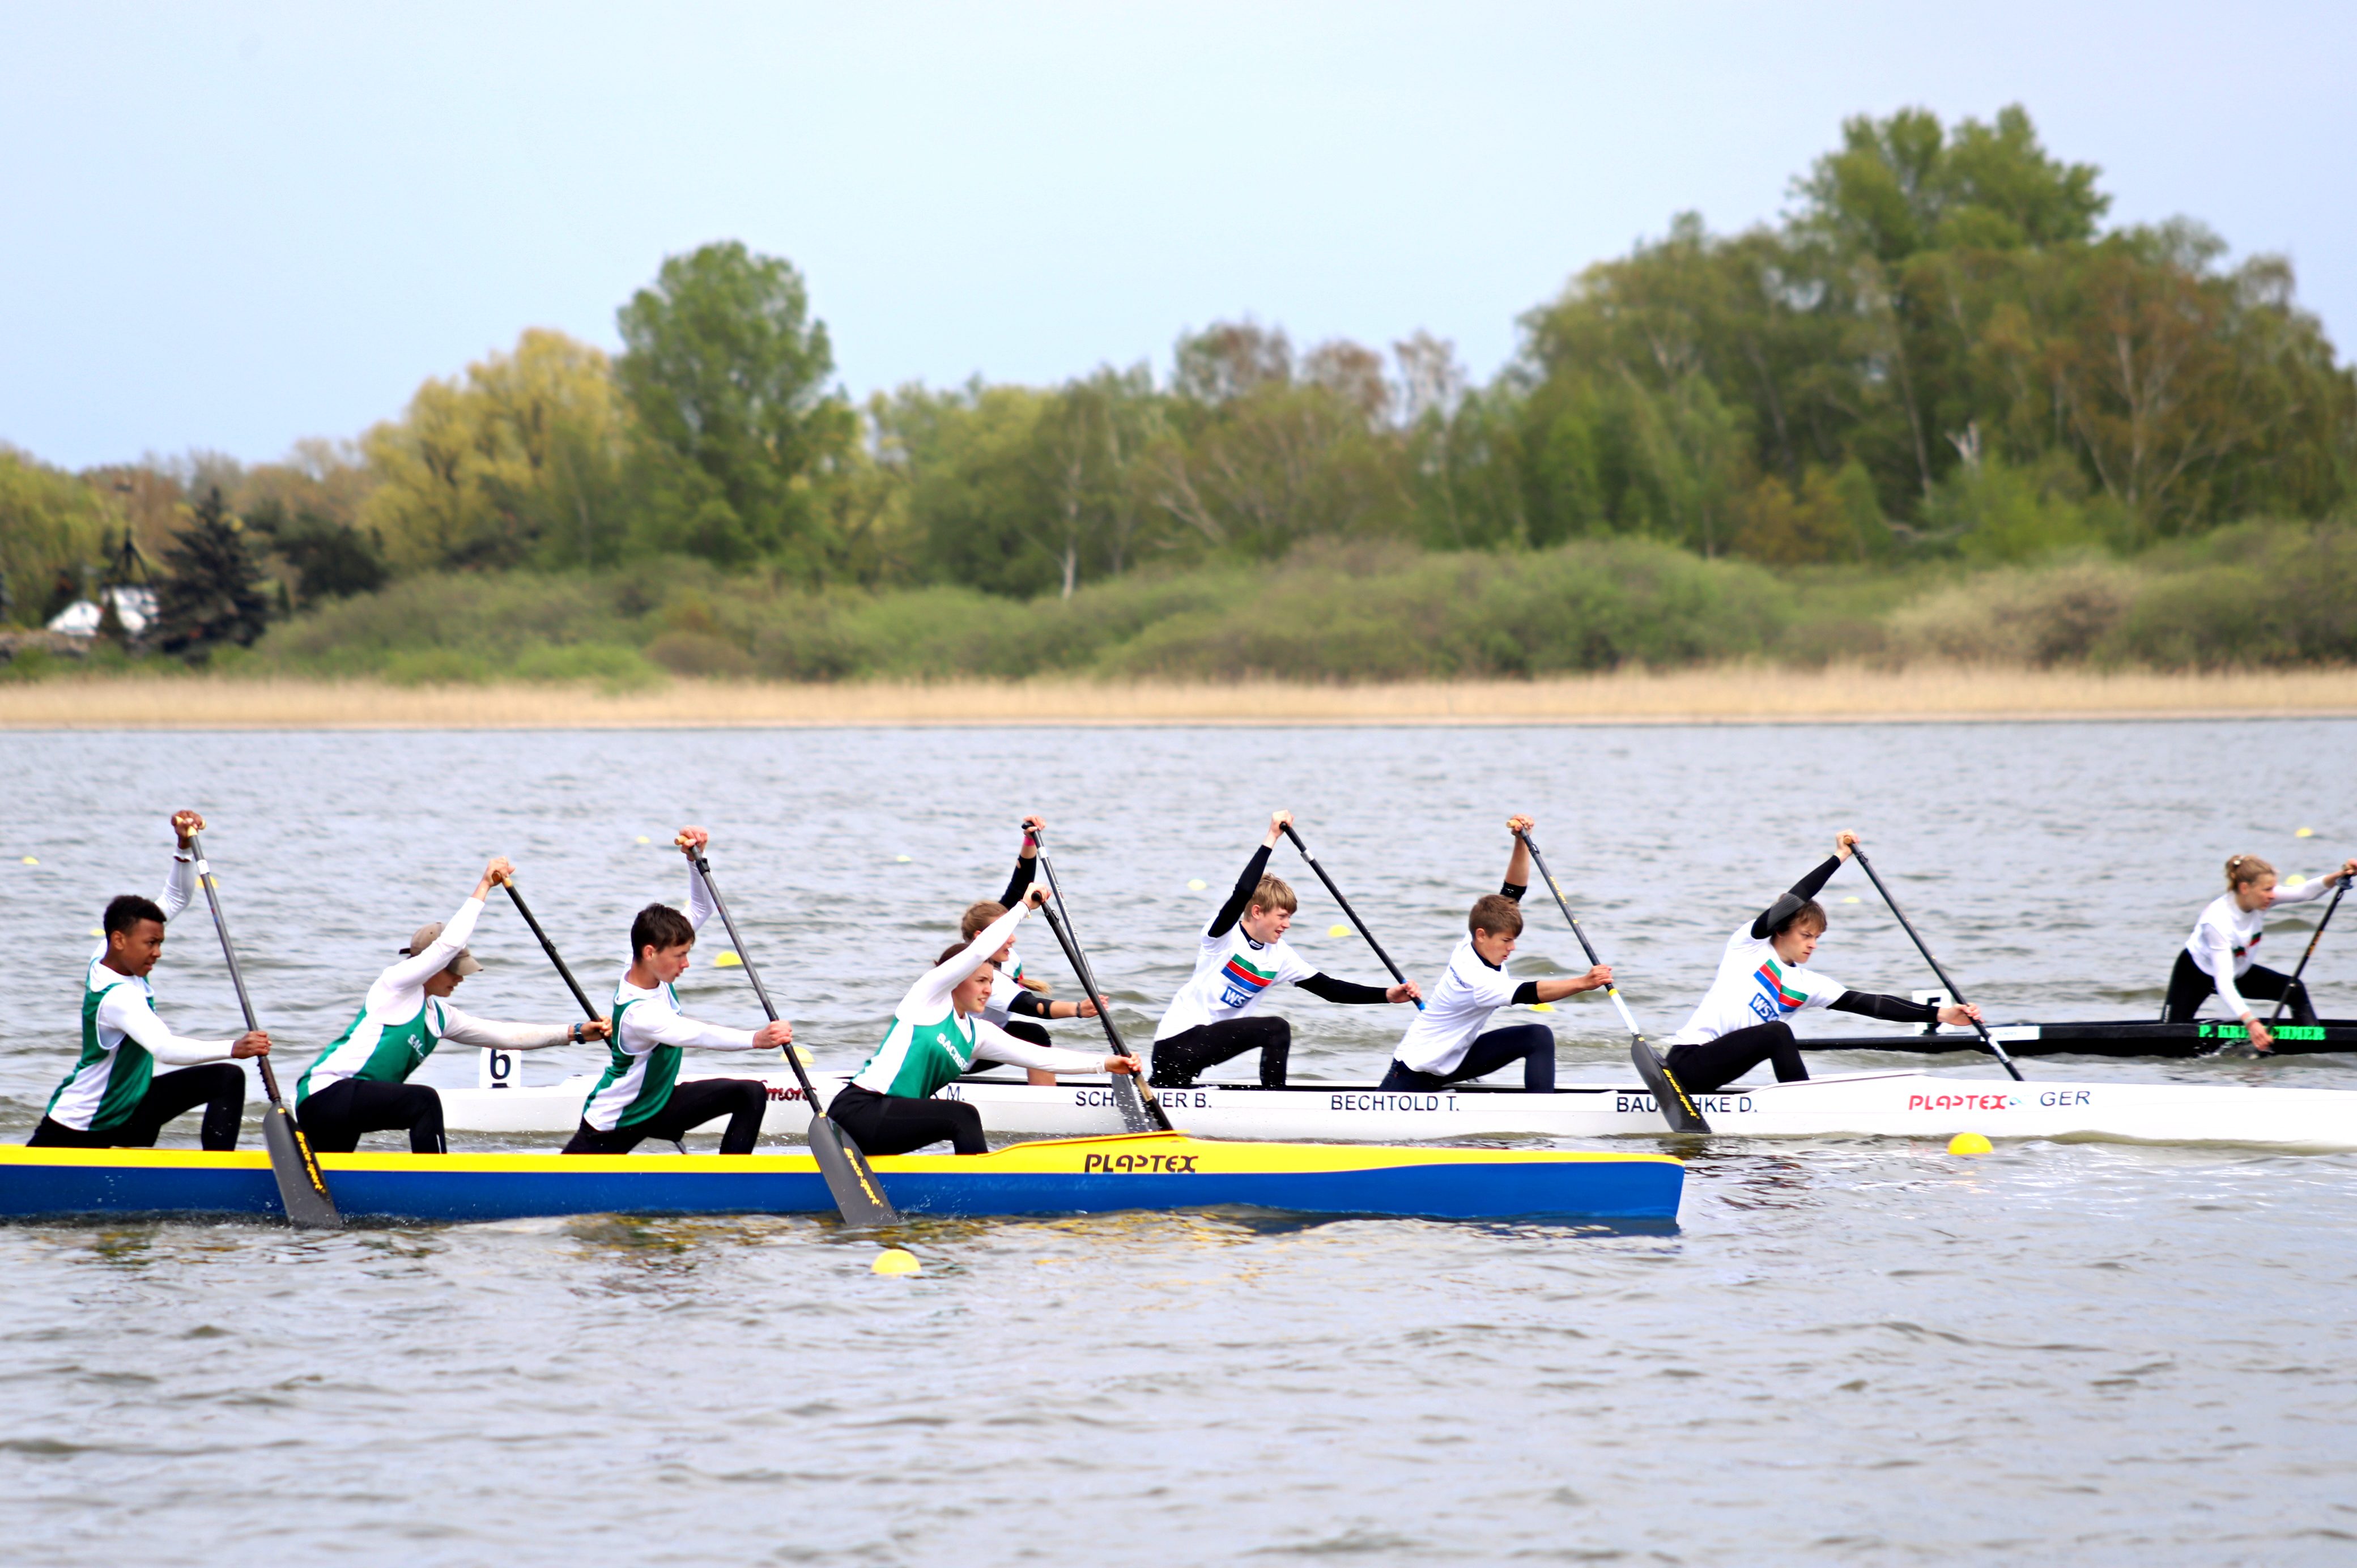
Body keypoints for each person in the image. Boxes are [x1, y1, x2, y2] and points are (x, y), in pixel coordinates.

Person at [294, 856, 609, 1154]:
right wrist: (485, 885)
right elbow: (449, 944)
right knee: (425, 1101)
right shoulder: (395, 986)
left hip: (350, 1108)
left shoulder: (439, 1017)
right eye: (454, 970)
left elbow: (506, 1037)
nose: (460, 979)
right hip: (324, 1094)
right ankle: (436, 1183)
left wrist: (577, 1032)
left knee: (331, 1176)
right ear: (429, 965)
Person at [1662, 831, 1983, 1094]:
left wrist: (1942, 1014)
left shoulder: (1808, 985)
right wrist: (1841, 857)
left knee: (1776, 1032)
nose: (1813, 944)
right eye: (1806, 935)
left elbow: (1873, 1004)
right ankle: (1801, 1105)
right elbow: (1795, 899)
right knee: (1776, 1033)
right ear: (1780, 930)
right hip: (1687, 1062)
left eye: (1817, 937)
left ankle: (1798, 1102)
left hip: (1712, 1075)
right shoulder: (1748, 948)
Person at [832, 885, 1141, 1155]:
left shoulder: (976, 1034)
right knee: (962, 1117)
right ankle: (976, 1194)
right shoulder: (926, 999)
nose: (988, 989)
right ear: (958, 976)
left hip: (888, 1121)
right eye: (980, 980)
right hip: (860, 1109)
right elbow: (979, 950)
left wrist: (1107, 1063)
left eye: (991, 982)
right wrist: (1023, 908)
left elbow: (1041, 1057)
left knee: (961, 1116)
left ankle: (964, 1189)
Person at [30, 809, 270, 1150]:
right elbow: (164, 1048)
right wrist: (234, 1047)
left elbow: (175, 899)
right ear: (120, 940)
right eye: (151, 943)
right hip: (83, 1125)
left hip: (130, 1108)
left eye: (160, 942)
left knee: (226, 1079)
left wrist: (184, 847)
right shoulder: (117, 998)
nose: (157, 952)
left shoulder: (106, 953)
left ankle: (217, 1174)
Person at [1150, 810, 1422, 1089]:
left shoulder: (1280, 956)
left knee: (1166, 1089)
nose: (1287, 925)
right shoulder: (1221, 937)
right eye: (1282, 916)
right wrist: (1272, 837)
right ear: (1257, 912)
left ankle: (1172, 1092)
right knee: (1275, 1029)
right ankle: (1275, 1101)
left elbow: (1331, 990)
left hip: (1199, 1053)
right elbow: (1242, 893)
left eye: (1289, 917)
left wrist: (1387, 995)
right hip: (1176, 1045)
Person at [562, 827, 792, 1156]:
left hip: (659, 1102)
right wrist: (756, 1039)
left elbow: (700, 909)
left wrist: (694, 859)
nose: (686, 964)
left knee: (750, 1094)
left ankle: (727, 1185)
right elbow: (696, 1034)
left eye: (687, 953)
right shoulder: (640, 1013)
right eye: (680, 956)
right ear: (651, 952)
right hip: (616, 1120)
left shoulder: (646, 962)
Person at [1379, 815, 1613, 1093]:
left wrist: (1520, 842)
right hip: (1413, 1074)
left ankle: (1541, 1113)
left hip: (1452, 1060)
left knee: (1538, 1037)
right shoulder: (1477, 981)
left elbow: (1512, 892)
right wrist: (1584, 983)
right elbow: (1530, 993)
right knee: (1537, 1034)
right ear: (1482, 935)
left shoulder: (1474, 938)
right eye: (1506, 941)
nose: (1511, 948)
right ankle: (1544, 1118)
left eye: (1513, 940)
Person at [958, 816, 1100, 1086]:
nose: (1011, 939)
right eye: (1003, 934)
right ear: (982, 938)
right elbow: (1031, 1006)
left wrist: (1029, 839)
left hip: (985, 1035)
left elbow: (1018, 886)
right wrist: (1078, 1009)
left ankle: (1046, 1094)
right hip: (955, 1053)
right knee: (1034, 1033)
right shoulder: (980, 975)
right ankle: (1047, 1104)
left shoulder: (997, 949)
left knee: (1031, 1035)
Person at [2163, 853, 2356, 1050]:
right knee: (2170, 1040)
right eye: (2267, 889)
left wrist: (2340, 876)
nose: (2273, 895)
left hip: (2237, 971)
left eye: (2273, 888)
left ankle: (2314, 1047)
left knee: (2294, 990)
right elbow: (2224, 983)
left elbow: (2305, 892)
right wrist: (2251, 1022)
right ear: (2245, 888)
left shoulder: (2260, 899)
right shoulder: (2217, 921)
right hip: (2194, 974)